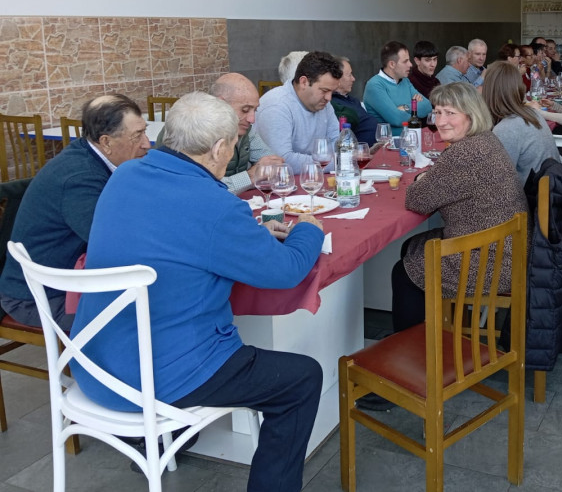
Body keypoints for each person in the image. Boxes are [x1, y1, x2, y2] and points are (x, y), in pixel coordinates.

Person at [70, 92, 324, 491]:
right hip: (160, 376)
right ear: (220, 148)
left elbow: (173, 236)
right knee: (302, 378)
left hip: (95, 364)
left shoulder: (124, 176)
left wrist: (249, 236)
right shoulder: (214, 204)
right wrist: (309, 228)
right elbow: (285, 271)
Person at [0, 95, 150, 329]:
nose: (147, 143)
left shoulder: (90, 155)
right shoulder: (79, 179)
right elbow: (111, 245)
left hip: (59, 281)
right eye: (137, 136)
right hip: (38, 297)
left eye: (144, 131)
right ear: (106, 142)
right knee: (146, 311)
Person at [391, 82, 528, 332]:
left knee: (404, 272)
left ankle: (410, 351)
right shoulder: (486, 139)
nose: (441, 121)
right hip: (508, 249)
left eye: (450, 113)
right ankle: (436, 329)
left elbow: (417, 200)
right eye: (437, 112)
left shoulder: (463, 154)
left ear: (471, 115)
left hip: (489, 261)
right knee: (410, 247)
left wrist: (422, 179)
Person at [156, 73, 284, 194]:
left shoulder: (244, 128)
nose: (252, 119)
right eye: (245, 110)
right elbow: (200, 189)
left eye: (254, 110)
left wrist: (263, 170)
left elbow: (272, 164)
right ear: (221, 103)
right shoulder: (191, 129)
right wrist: (250, 176)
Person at [256, 50, 343, 173]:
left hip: (313, 180)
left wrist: (337, 160)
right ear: (304, 82)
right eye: (324, 90)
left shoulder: (324, 103)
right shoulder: (276, 106)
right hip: (278, 186)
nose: (329, 98)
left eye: (332, 92)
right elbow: (282, 161)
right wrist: (337, 163)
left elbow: (336, 145)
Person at [482, 61, 560, 184]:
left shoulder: (506, 128)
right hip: (551, 189)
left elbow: (498, 179)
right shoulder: (532, 113)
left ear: (489, 90)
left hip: (529, 198)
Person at [363, 41, 433, 135]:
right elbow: (396, 119)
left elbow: (427, 106)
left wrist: (405, 107)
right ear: (392, 64)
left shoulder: (405, 81)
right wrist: (415, 107)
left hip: (412, 139)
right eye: (405, 61)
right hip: (388, 144)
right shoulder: (375, 85)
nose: (410, 64)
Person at [331, 56, 377, 145]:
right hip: (354, 154)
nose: (353, 79)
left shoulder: (353, 100)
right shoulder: (333, 104)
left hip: (372, 150)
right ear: (337, 78)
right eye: (349, 75)